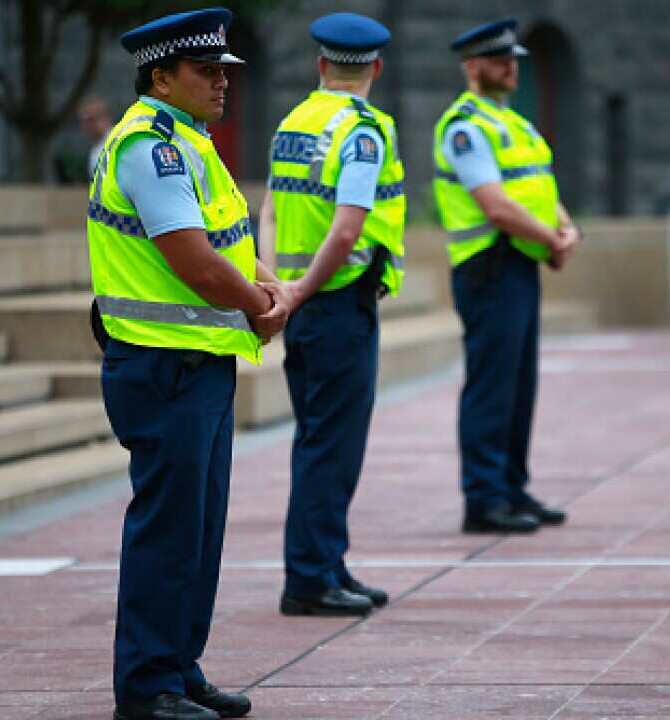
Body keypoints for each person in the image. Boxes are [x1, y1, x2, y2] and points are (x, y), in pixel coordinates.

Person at [89, 8, 289, 719]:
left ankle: (178, 666)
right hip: (163, 367)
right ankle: (147, 689)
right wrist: (258, 306)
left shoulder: (190, 143)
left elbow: (226, 244)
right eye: (205, 72)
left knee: (198, 530)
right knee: (169, 531)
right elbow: (195, 263)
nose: (221, 83)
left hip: (197, 365)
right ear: (161, 76)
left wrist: (266, 285)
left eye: (225, 71)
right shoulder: (152, 148)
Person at [258, 12, 406, 617]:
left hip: (304, 303)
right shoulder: (365, 132)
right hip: (339, 302)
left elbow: (265, 212)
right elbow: (347, 232)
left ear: (321, 65)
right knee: (332, 445)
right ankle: (311, 578)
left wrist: (277, 287)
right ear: (375, 67)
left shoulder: (293, 122)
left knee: (319, 439)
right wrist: (301, 292)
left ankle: (327, 562)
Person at [431, 18, 578, 535]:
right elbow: (494, 205)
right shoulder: (465, 127)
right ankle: (484, 498)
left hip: (520, 260)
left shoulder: (513, 122)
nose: (511, 68)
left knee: (519, 384)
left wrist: (563, 226)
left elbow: (537, 184)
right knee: (492, 386)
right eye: (499, 61)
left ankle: (512, 487)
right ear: (472, 67)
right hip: (489, 266)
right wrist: (552, 238)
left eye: (513, 60)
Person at [80, 97, 115, 179]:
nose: (87, 125)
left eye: (91, 120)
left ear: (106, 118)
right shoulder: (97, 147)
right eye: (85, 121)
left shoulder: (115, 142)